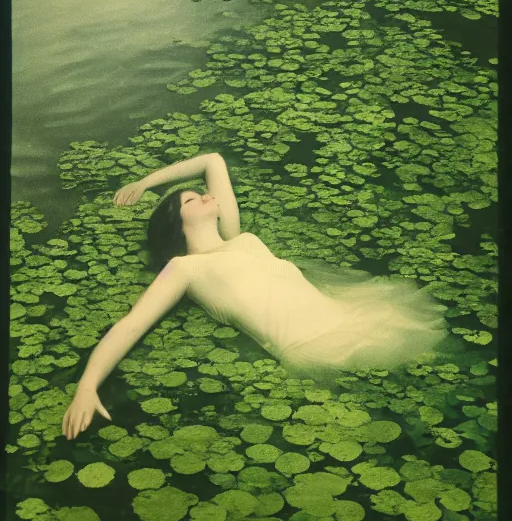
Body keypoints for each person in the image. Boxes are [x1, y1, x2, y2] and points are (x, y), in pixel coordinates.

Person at [62, 152, 448, 440]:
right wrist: (87, 385)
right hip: (319, 347)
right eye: (192, 200)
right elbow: (131, 325)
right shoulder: (184, 269)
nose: (207, 196)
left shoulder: (240, 238)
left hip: (354, 317)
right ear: (178, 225)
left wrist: (145, 182)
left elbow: (212, 160)